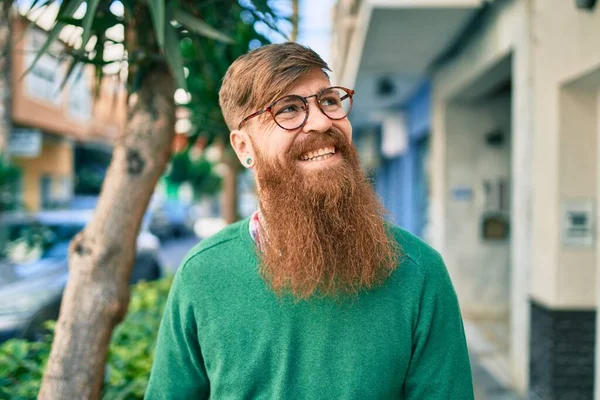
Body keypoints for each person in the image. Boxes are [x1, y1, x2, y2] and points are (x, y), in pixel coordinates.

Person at [146, 42, 474, 399]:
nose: (321, 121)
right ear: (243, 148)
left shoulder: (419, 273)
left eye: (329, 101)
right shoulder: (203, 274)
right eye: (288, 109)